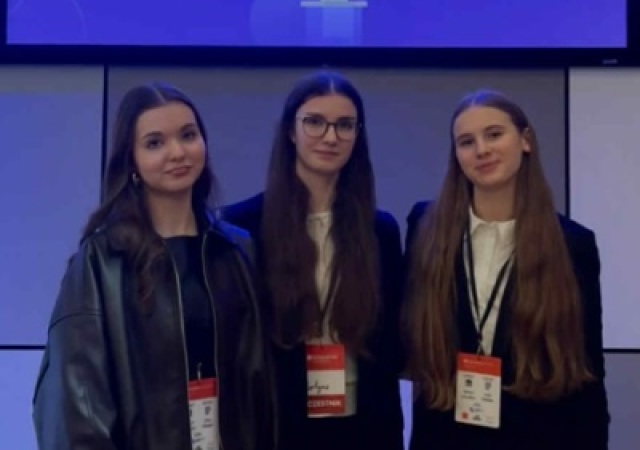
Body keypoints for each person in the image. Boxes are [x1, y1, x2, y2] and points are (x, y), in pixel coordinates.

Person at [32, 82, 277, 450]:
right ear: (131, 160)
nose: (177, 152)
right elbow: (76, 405)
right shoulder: (101, 261)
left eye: (188, 135)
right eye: (155, 143)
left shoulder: (236, 250)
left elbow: (262, 388)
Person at [403, 89, 609, 450]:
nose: (481, 150)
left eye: (494, 134)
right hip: (444, 435)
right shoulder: (425, 226)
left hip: (538, 435)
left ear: (525, 141)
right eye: (466, 142)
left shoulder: (572, 243)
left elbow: (588, 372)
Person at [222, 70, 404, 450]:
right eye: (315, 122)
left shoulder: (380, 231)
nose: (331, 137)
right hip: (278, 427)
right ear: (291, 131)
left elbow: (390, 345)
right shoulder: (242, 227)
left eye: (345, 125)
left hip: (365, 428)